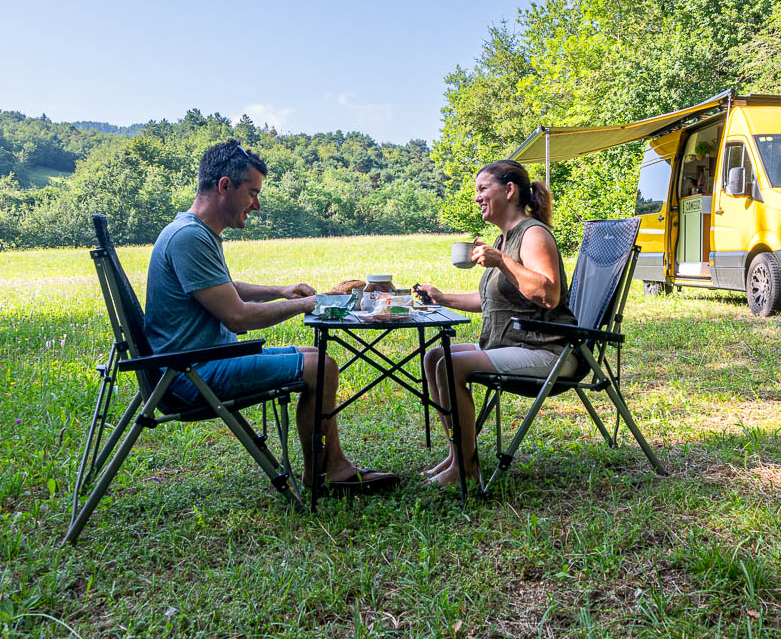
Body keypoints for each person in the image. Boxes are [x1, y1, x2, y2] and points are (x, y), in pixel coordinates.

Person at [143, 139, 395, 494]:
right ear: (224, 186)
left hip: (201, 361)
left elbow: (222, 286)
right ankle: (328, 471)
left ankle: (327, 468)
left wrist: (279, 292)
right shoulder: (189, 238)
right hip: (190, 375)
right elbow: (238, 318)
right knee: (319, 367)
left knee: (320, 360)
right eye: (252, 193)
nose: (256, 205)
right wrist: (309, 304)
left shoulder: (192, 231)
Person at [417, 160, 578, 487]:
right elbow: (491, 301)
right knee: (433, 357)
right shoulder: (503, 239)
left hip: (547, 350)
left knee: (449, 365)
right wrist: (442, 298)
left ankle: (465, 465)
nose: (477, 197)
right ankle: (457, 455)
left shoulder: (532, 234)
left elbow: (548, 294)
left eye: (482, 189)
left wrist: (502, 261)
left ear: (509, 190)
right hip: (510, 344)